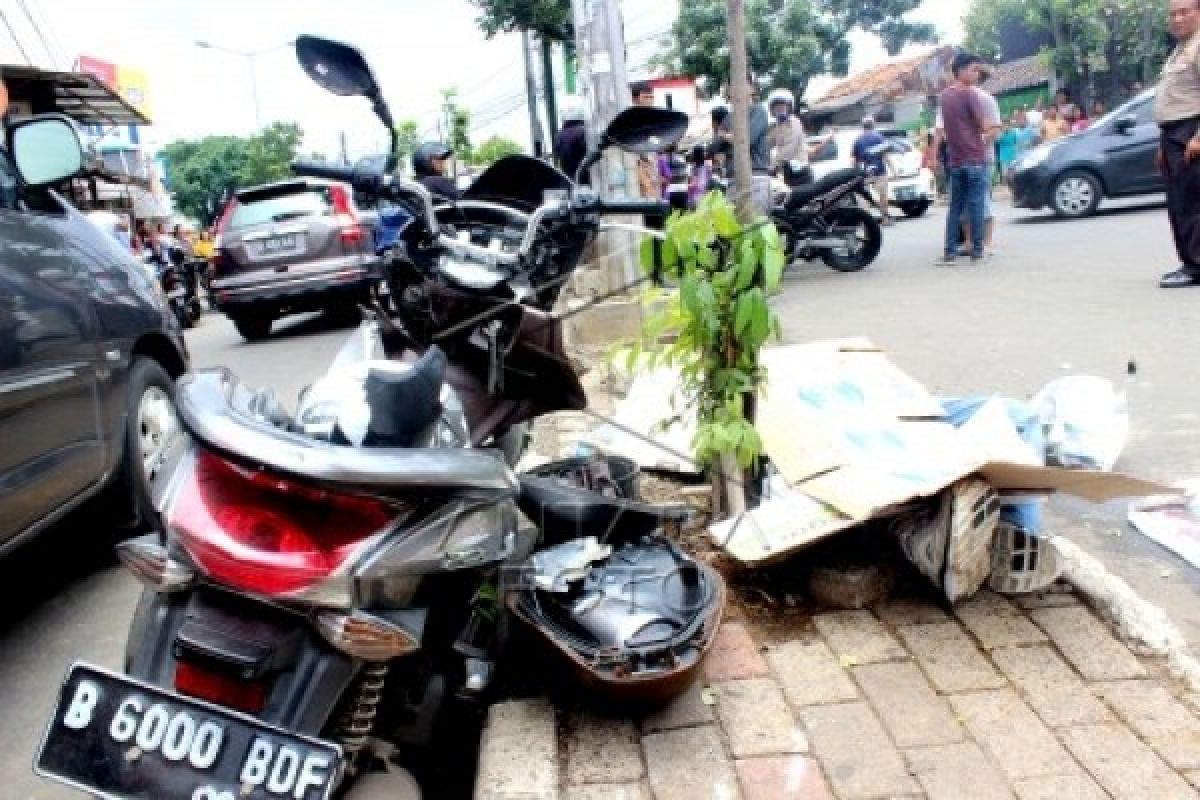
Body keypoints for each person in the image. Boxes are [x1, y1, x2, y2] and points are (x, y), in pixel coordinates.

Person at [1155, 0, 1200, 288]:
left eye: (1184, 11)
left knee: (1192, 203)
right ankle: (1189, 262)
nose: (1177, 18)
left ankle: (1197, 266)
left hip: (1190, 130)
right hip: (1173, 132)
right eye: (1173, 13)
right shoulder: (1178, 51)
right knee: (1178, 202)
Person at [933, 52, 993, 264]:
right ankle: (977, 251)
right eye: (973, 70)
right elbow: (983, 125)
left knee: (955, 208)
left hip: (956, 160)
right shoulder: (970, 94)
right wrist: (995, 125)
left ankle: (950, 251)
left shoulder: (944, 96)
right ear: (960, 70)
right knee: (976, 206)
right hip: (975, 157)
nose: (976, 74)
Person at [852, 116, 893, 225]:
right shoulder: (880, 137)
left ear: (863, 126)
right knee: (882, 195)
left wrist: (854, 173)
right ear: (873, 125)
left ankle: (866, 221)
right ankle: (885, 219)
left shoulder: (858, 140)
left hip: (866, 172)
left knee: (864, 197)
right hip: (880, 171)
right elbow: (885, 156)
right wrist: (894, 170)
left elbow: (855, 160)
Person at [766, 88, 808, 173]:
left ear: (789, 107)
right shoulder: (778, 127)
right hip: (786, 170)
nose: (780, 108)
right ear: (772, 110)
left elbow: (788, 149)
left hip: (799, 171)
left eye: (783, 105)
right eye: (776, 106)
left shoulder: (794, 122)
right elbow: (767, 143)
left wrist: (772, 165)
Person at [555, 103, 589, 183]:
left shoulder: (559, 135)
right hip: (584, 176)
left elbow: (558, 154)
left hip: (568, 178)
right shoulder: (583, 131)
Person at [687, 144, 712, 209]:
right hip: (702, 195)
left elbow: (693, 183)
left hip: (698, 195)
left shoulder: (693, 167)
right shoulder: (706, 166)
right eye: (704, 152)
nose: (705, 153)